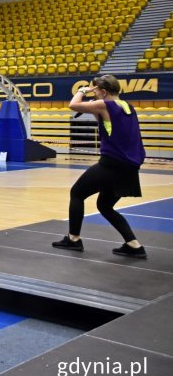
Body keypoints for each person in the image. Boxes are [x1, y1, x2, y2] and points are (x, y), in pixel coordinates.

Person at [52, 75, 148, 258]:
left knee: (77, 193)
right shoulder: (127, 106)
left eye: (95, 90)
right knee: (104, 205)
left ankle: (73, 239)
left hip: (112, 163)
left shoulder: (104, 104)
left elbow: (73, 105)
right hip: (129, 166)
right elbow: (109, 124)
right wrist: (94, 105)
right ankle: (134, 246)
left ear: (103, 92)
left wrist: (81, 91)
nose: (92, 93)